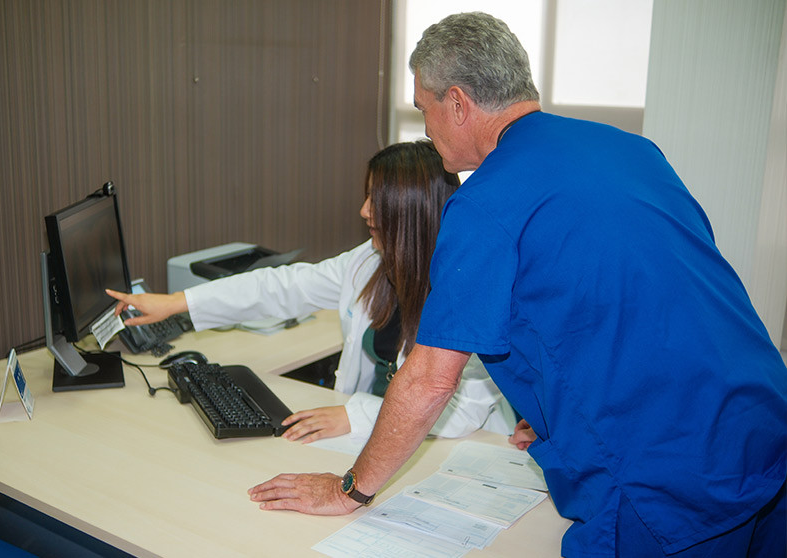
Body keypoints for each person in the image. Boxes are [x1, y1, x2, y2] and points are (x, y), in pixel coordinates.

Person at [247, 11, 787, 558]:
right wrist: (553, 407)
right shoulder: (630, 150)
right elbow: (656, 292)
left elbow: (432, 378)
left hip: (670, 474)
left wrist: (350, 489)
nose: (426, 130)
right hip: (761, 422)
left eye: (423, 109)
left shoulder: (486, 202)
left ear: (456, 103)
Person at [108, 140, 516, 444]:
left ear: (412, 211)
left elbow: (459, 415)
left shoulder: (468, 290)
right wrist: (177, 303)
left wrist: (356, 414)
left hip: (455, 451)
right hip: (367, 437)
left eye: (378, 200)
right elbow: (283, 286)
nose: (364, 211)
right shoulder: (370, 263)